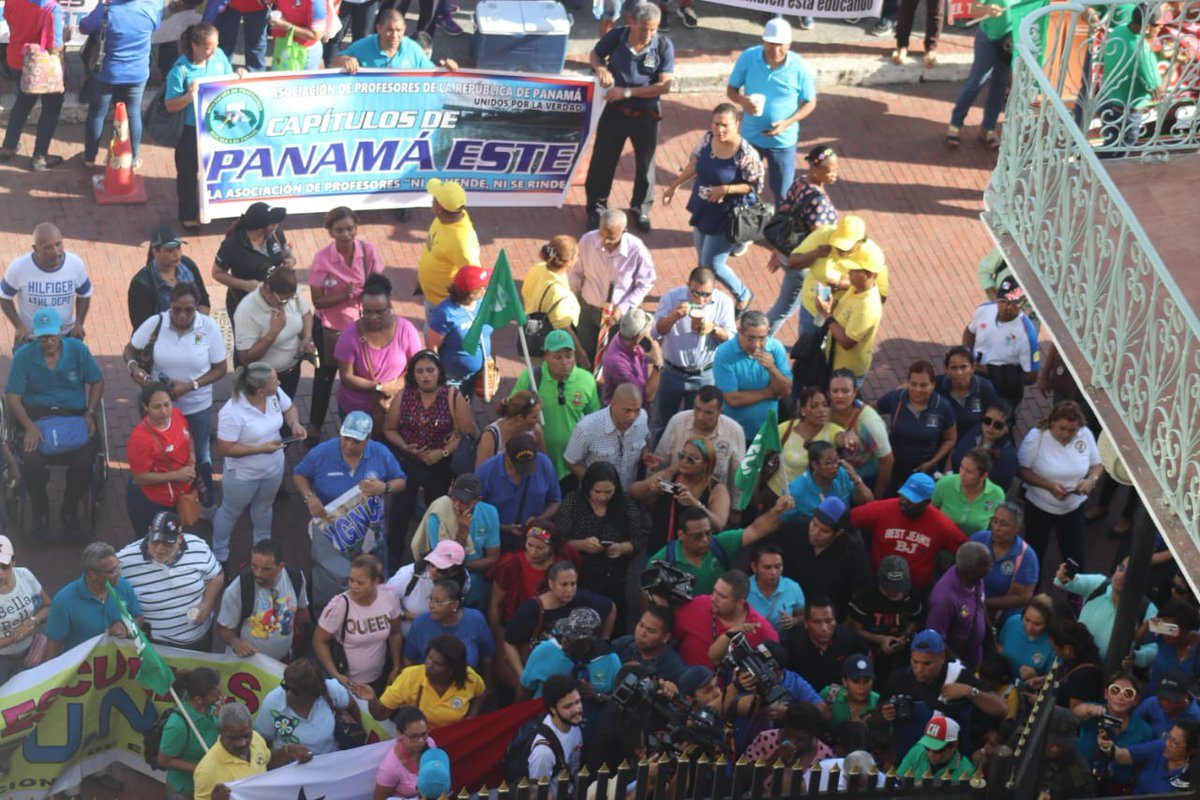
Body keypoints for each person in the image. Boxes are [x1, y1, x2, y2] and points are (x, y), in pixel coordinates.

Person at [125, 283, 225, 510]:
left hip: (196, 405)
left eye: (188, 310)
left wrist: (191, 385)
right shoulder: (155, 323)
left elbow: (220, 368)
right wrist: (134, 368)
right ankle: (164, 494)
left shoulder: (208, 327)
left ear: (196, 308)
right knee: (159, 451)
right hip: (158, 405)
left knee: (200, 454)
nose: (181, 315)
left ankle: (206, 501)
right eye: (177, 309)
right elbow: (129, 350)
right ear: (170, 305)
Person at [4, 306, 103, 533]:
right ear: (35, 335)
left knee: (84, 460)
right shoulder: (23, 357)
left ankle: (69, 508)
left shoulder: (78, 350)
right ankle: (40, 511)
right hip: (37, 419)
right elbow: (12, 396)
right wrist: (28, 426)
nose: (49, 341)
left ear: (60, 332)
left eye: (52, 335)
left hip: (73, 417)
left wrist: (90, 412)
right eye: (43, 336)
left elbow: (97, 381)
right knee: (30, 462)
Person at [294, 411, 406, 610]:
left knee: (372, 576)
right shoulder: (323, 452)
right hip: (332, 531)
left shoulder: (380, 453)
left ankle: (374, 611)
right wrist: (309, 497)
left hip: (370, 534)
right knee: (331, 576)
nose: (349, 445)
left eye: (356, 441)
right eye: (346, 438)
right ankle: (329, 612)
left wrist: (385, 488)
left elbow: (401, 480)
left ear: (368, 439)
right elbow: (300, 474)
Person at [662, 103, 764, 313]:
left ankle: (742, 294)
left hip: (726, 217)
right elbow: (694, 164)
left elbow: (754, 186)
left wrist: (726, 189)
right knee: (703, 262)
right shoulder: (708, 139)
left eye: (725, 125)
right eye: (716, 124)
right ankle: (706, 296)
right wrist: (674, 186)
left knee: (712, 266)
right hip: (703, 210)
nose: (720, 130)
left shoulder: (746, 154)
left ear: (737, 124)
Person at [584, 3, 674, 232]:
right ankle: (596, 207)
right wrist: (600, 69)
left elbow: (664, 86)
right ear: (631, 22)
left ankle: (640, 209)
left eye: (653, 29)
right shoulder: (616, 36)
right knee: (603, 161)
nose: (649, 34)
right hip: (614, 113)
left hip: (646, 116)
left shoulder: (663, 46)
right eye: (644, 28)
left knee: (646, 164)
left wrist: (626, 92)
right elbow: (595, 55)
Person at [383, 350, 474, 560]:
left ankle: (434, 552)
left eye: (430, 370)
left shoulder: (452, 396)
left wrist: (441, 452)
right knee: (400, 509)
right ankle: (394, 551)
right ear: (413, 374)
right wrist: (406, 447)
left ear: (439, 372)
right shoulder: (404, 396)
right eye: (420, 371)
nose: (425, 376)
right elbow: (389, 429)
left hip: (440, 464)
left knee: (438, 509)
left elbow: (467, 432)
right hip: (409, 462)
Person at [306, 206, 385, 445]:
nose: (346, 235)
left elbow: (379, 286)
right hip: (331, 328)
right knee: (325, 377)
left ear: (356, 228)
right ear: (330, 232)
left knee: (362, 375)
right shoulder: (322, 259)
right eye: (339, 230)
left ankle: (364, 425)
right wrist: (344, 296)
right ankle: (314, 428)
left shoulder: (368, 252)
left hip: (363, 326)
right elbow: (317, 300)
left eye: (350, 229)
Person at [212, 362, 305, 564]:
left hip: (273, 469)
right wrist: (261, 449)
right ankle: (219, 554)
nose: (279, 382)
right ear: (261, 391)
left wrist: (295, 423)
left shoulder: (275, 394)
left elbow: (290, 408)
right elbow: (225, 448)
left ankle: (262, 548)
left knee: (263, 507)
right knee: (230, 512)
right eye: (274, 380)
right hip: (242, 477)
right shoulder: (231, 412)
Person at [725, 19, 817, 204]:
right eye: (771, 44)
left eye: (780, 45)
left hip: (782, 142)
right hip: (750, 138)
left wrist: (787, 122)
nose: (775, 50)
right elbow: (731, 90)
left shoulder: (800, 67)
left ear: (789, 44)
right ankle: (742, 227)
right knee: (743, 187)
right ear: (763, 41)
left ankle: (778, 231)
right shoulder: (748, 57)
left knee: (783, 195)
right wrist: (743, 101)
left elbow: (810, 102)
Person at [879, 629, 1007, 760]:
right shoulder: (898, 678)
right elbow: (875, 720)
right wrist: (885, 714)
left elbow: (1001, 708)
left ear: (942, 658)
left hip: (952, 763)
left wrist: (969, 691)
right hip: (910, 761)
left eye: (927, 663)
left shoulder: (958, 676)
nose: (919, 669)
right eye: (915, 662)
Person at [164, 23, 239, 233]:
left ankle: (228, 208)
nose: (213, 51)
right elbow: (170, 105)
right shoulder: (180, 70)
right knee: (188, 174)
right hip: (191, 130)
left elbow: (228, 79)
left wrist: (238, 75)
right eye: (208, 47)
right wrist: (188, 98)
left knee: (222, 169)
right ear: (194, 45)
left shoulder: (219, 56)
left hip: (218, 127)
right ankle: (188, 215)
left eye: (215, 46)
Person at [558, 461, 648, 627]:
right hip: (581, 570)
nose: (602, 497)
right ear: (588, 487)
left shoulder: (625, 503)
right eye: (597, 492)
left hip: (617, 571)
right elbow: (561, 539)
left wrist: (621, 548)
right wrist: (582, 544)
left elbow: (639, 539)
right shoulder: (573, 502)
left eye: (608, 492)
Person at [117, 511, 223, 650]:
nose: (160, 549)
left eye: (168, 543)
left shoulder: (198, 547)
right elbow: (105, 589)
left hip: (200, 639)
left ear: (180, 538)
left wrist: (207, 604)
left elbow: (216, 576)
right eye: (155, 541)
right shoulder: (124, 560)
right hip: (156, 645)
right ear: (149, 531)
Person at [649, 493, 794, 595]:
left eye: (708, 533)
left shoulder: (721, 544)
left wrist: (777, 510)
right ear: (681, 535)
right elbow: (648, 598)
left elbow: (756, 530)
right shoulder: (662, 561)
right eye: (697, 536)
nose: (705, 540)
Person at [850, 473, 969, 594]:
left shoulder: (941, 524)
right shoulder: (882, 509)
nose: (904, 501)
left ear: (926, 502)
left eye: (912, 500)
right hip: (879, 586)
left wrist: (952, 580)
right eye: (903, 495)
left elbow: (966, 551)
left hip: (916, 591)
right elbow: (847, 519)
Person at [1019, 400, 1103, 572]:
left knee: (1074, 555)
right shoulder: (1037, 436)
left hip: (1073, 508)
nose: (1066, 434)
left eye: (1072, 430)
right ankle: (1033, 590)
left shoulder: (1085, 434)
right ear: (1052, 423)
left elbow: (1097, 464)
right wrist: (1048, 485)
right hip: (1039, 508)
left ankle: (1075, 594)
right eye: (1061, 428)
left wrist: (1091, 480)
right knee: (1035, 551)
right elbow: (1021, 470)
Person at [773, 215, 888, 339]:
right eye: (838, 245)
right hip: (812, 307)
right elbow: (793, 262)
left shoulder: (873, 256)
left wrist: (842, 284)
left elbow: (880, 294)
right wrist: (816, 253)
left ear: (860, 242)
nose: (840, 250)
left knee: (830, 353)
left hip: (843, 317)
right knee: (805, 347)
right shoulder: (824, 235)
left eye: (845, 247)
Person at [764, 146, 840, 334]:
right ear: (815, 169)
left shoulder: (800, 182)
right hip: (802, 263)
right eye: (830, 170)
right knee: (783, 310)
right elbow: (819, 239)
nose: (835, 174)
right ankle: (759, 340)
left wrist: (777, 249)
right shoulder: (819, 201)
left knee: (793, 305)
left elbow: (785, 211)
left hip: (785, 250)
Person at [502, 561, 615, 685]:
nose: (570, 590)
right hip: (541, 674)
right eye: (564, 585)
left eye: (573, 584)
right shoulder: (531, 609)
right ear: (551, 583)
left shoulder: (581, 599)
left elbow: (611, 608)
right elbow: (509, 643)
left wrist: (603, 641)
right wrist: (523, 676)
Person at [945, 0, 1036, 151]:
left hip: (1009, 39)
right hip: (987, 38)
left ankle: (988, 127)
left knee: (999, 86)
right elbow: (974, 9)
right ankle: (955, 123)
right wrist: (987, 9)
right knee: (976, 82)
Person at [79, 0, 160, 168]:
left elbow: (84, 27)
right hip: (137, 73)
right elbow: (156, 26)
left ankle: (89, 157)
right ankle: (133, 158)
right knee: (133, 114)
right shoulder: (150, 8)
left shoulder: (106, 10)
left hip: (106, 73)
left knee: (97, 114)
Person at [570, 210, 657, 367]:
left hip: (617, 318)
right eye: (602, 235)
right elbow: (576, 274)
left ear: (624, 231)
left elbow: (647, 281)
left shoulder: (636, 249)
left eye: (611, 238)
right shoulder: (587, 241)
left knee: (613, 360)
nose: (606, 242)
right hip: (588, 311)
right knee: (584, 356)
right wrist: (575, 301)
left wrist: (623, 308)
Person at [511, 330, 601, 481]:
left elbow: (594, 418)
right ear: (545, 356)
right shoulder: (530, 378)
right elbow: (513, 412)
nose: (564, 362)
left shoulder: (587, 380)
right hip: (537, 461)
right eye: (557, 357)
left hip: (573, 465)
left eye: (568, 356)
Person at [652, 267, 736, 426]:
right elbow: (656, 332)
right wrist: (675, 315)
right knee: (663, 421)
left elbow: (731, 338)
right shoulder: (671, 298)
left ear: (714, 289)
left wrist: (714, 329)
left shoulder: (723, 302)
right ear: (688, 285)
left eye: (706, 294)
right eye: (696, 293)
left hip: (704, 374)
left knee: (698, 423)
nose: (701, 299)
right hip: (671, 372)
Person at [336, 273, 423, 424]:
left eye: (379, 312)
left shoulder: (406, 330)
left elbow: (416, 366)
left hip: (394, 408)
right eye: (367, 311)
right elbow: (347, 378)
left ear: (389, 306)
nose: (372, 317)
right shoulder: (349, 336)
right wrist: (380, 387)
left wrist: (396, 386)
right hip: (357, 411)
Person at [313, 554, 402, 691]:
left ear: (375, 582)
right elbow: (319, 640)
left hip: (379, 678)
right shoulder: (339, 605)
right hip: (346, 681)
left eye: (360, 583)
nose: (353, 586)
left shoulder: (390, 596)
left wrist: (396, 667)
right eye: (351, 580)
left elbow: (395, 633)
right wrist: (336, 675)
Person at [121, 382, 198, 539]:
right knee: (151, 540)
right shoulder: (140, 439)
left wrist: (192, 454)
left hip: (178, 495)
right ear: (145, 407)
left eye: (167, 404)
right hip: (153, 502)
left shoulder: (177, 415)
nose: (164, 411)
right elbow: (140, 477)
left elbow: (187, 435)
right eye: (157, 407)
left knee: (174, 537)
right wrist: (177, 475)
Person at [192, 701, 312, 800]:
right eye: (233, 738)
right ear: (220, 731)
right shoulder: (206, 771)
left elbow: (266, 762)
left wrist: (288, 751)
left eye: (246, 735)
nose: (242, 743)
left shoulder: (256, 738)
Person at [410, 474, 500, 603]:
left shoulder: (490, 512)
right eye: (454, 498)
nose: (457, 505)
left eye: (463, 502)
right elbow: (444, 562)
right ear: (450, 490)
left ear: (477, 500)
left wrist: (463, 567)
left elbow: (493, 557)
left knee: (476, 585)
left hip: (474, 572)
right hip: (442, 574)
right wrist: (462, 533)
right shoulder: (437, 515)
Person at [216, 539, 311, 661]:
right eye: (254, 566)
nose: (258, 573)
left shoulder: (295, 577)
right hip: (249, 663)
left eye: (266, 569)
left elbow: (302, 611)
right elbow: (224, 628)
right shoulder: (238, 588)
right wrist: (236, 643)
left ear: (280, 566)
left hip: (284, 660)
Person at [360, 635, 485, 726]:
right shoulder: (410, 676)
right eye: (429, 658)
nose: (428, 664)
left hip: (454, 739)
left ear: (451, 669)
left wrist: (471, 717)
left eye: (437, 663)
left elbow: (481, 692)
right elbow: (380, 715)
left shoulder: (469, 677)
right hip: (420, 743)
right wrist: (372, 699)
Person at [633, 436, 730, 554]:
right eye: (682, 456)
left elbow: (719, 525)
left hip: (693, 553)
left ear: (705, 464)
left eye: (691, 459)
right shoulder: (671, 475)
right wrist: (651, 488)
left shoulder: (716, 489)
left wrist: (695, 503)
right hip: (660, 549)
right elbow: (633, 492)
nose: (683, 461)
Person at [43, 542, 141, 660]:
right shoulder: (63, 601)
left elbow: (138, 617)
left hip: (119, 665)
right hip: (83, 668)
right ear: (92, 574)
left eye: (118, 567)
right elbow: (53, 645)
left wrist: (127, 629)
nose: (118, 573)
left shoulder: (123, 585)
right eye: (111, 571)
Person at [779, 496, 870, 619]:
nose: (815, 533)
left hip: (828, 619)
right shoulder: (793, 529)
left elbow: (861, 588)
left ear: (838, 533)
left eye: (824, 531)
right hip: (786, 610)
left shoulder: (852, 550)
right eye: (814, 524)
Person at [234, 266, 314, 404]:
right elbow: (245, 357)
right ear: (267, 291)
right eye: (282, 301)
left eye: (291, 299)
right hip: (263, 382)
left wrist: (307, 337)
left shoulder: (290, 293)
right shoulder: (246, 311)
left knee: (288, 409)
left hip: (291, 371)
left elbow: (306, 314)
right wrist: (274, 331)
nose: (287, 304)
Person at [1, 0, 65, 171]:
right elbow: (56, 46)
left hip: (16, 58)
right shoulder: (53, 9)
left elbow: (9, 22)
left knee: (22, 103)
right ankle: (40, 157)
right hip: (40, 66)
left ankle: (8, 147)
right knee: (51, 108)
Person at [1, 223, 92, 343]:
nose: (56, 251)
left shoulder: (75, 264)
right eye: (48, 247)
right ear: (35, 248)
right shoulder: (19, 268)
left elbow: (84, 294)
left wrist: (79, 323)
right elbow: (4, 296)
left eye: (58, 244)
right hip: (31, 338)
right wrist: (18, 325)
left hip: (66, 336)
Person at [875, 360, 957, 494]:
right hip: (893, 467)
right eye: (913, 384)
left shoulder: (943, 407)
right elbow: (871, 410)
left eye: (924, 385)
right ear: (907, 383)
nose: (917, 389)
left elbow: (950, 439)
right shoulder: (896, 398)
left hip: (924, 470)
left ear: (933, 385)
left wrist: (932, 462)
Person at [654, 386, 745, 503]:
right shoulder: (677, 422)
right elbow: (660, 463)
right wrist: (652, 495)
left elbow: (737, 478)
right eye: (697, 409)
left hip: (713, 501)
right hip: (673, 498)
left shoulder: (734, 432)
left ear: (720, 412)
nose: (700, 416)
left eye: (708, 413)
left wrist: (735, 509)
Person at [712, 310, 793, 443]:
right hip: (734, 434)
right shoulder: (725, 354)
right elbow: (733, 399)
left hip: (767, 432)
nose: (756, 345)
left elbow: (787, 390)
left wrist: (772, 368)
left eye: (761, 338)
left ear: (768, 330)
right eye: (751, 338)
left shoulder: (776, 348)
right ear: (740, 331)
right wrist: (769, 392)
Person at [963, 276, 1040, 409]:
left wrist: (993, 373)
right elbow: (970, 332)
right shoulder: (984, 310)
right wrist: (968, 355)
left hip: (1001, 394)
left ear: (1023, 303)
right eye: (1003, 301)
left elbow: (1031, 377)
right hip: (974, 382)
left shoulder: (1027, 334)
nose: (1007, 307)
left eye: (1014, 304)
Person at [1097, 5, 1165, 154]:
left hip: (1106, 100)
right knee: (1117, 157)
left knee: (1110, 147)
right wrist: (1176, 63)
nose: (1161, 29)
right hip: (1125, 114)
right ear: (1147, 26)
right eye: (1158, 25)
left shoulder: (1118, 30)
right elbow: (1159, 92)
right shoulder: (1142, 52)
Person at [477, 432, 562, 550]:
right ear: (506, 456)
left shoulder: (544, 464)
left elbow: (555, 501)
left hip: (532, 543)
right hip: (495, 543)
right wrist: (504, 527)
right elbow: (476, 511)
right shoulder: (486, 471)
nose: (522, 471)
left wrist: (541, 519)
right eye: (518, 466)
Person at [255, 658, 356, 757]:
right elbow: (262, 741)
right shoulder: (273, 701)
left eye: (295, 691)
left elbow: (352, 706)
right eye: (286, 686)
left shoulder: (331, 690)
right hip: (291, 769)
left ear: (311, 694)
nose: (288, 693)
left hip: (330, 761)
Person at [1074, 672, 1155, 793]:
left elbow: (1143, 764)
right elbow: (1075, 714)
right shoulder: (1092, 713)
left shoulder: (1143, 730)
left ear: (1135, 700)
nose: (1120, 697)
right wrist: (1088, 709)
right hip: (1080, 781)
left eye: (1128, 693)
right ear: (1106, 694)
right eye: (1115, 690)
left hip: (1117, 789)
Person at [563, 383, 653, 489]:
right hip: (597, 499)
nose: (633, 416)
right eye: (627, 410)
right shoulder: (586, 428)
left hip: (629, 495)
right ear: (613, 405)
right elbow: (570, 461)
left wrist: (645, 455)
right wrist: (596, 485)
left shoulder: (643, 418)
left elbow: (644, 443)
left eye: (637, 410)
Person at [212, 202, 291, 322]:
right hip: (244, 304)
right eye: (273, 223)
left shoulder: (276, 234)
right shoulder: (232, 245)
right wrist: (245, 285)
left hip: (273, 301)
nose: (277, 225)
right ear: (259, 227)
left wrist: (290, 259)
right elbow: (217, 273)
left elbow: (285, 251)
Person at [521, 606, 622, 698]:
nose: (565, 641)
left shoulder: (610, 659)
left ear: (589, 641)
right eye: (565, 634)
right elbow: (524, 691)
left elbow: (619, 703)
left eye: (572, 638)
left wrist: (597, 696)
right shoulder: (544, 650)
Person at [847, 555, 924, 672]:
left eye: (899, 588)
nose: (895, 592)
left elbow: (915, 619)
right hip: (870, 652)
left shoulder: (911, 596)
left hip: (902, 653)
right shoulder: (864, 597)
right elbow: (855, 629)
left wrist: (905, 636)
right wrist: (880, 639)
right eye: (890, 588)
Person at [127, 226, 213, 330]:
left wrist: (198, 329)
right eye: (170, 250)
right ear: (155, 251)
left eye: (178, 248)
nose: (177, 254)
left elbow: (203, 301)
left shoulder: (188, 265)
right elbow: (142, 326)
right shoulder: (141, 284)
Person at [767, 385, 843, 500]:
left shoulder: (832, 430)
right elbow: (761, 456)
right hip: (778, 494)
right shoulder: (785, 429)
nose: (821, 410)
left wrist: (849, 439)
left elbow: (843, 437)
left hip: (812, 499)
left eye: (825, 405)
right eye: (814, 406)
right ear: (803, 410)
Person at [828, 368, 894, 497]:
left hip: (867, 479)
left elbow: (887, 461)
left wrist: (876, 497)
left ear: (854, 393)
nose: (839, 396)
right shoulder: (826, 411)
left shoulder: (869, 422)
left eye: (845, 391)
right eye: (835, 391)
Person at [158, 667, 222, 799]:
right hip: (185, 790)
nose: (220, 697)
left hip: (206, 786)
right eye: (215, 695)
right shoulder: (177, 725)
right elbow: (164, 761)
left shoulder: (211, 709)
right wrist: (201, 768)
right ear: (199, 699)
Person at [818, 258, 885, 384]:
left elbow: (847, 342)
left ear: (870, 275)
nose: (849, 273)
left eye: (854, 271)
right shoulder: (856, 288)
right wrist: (831, 303)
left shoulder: (867, 306)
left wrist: (827, 315)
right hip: (835, 363)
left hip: (847, 373)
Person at [427, 265, 492, 394]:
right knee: (452, 410)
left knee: (466, 404)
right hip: (453, 379)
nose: (486, 288)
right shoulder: (446, 313)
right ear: (472, 293)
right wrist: (436, 376)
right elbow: (432, 346)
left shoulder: (483, 302)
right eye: (483, 287)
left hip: (478, 373)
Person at [926, 541, 991, 668]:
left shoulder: (977, 580)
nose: (991, 568)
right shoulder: (943, 599)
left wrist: (992, 646)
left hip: (976, 656)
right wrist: (961, 667)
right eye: (987, 565)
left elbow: (981, 608)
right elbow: (936, 641)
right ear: (972, 571)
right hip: (955, 664)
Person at [417, 178, 480, 311]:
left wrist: (457, 307)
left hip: (442, 306)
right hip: (432, 296)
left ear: (439, 207)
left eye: (434, 198)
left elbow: (474, 277)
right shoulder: (448, 217)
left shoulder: (461, 242)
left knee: (431, 332)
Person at [405, 578, 493, 672]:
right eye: (430, 599)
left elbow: (487, 657)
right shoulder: (420, 623)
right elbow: (409, 659)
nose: (431, 606)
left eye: (438, 602)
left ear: (454, 605)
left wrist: (488, 684)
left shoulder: (476, 620)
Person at [971, 502, 1038, 624]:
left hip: (1001, 618)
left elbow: (1023, 597)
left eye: (1003, 524)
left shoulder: (1026, 557)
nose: (996, 528)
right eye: (995, 521)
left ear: (1017, 528)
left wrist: (983, 603)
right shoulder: (978, 539)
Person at [487, 526, 561, 633]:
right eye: (529, 545)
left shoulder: (558, 566)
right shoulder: (510, 564)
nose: (533, 552)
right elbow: (495, 604)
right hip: (512, 627)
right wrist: (497, 638)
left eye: (540, 548)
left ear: (551, 548)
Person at [388, 540, 470, 636]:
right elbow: (385, 603)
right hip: (409, 635)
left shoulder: (464, 581)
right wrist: (406, 615)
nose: (433, 571)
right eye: (432, 564)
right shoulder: (406, 575)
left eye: (441, 569)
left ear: (454, 572)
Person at [333, 9, 457, 71]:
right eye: (389, 30)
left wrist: (446, 69)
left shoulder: (413, 49)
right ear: (379, 28)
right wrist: (346, 61)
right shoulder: (362, 46)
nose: (394, 35)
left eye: (399, 30)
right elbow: (335, 62)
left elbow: (431, 74)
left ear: (404, 29)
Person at [0, 536, 51, 682]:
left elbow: (47, 606)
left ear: (14, 562)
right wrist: (14, 637)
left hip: (31, 653)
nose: (0, 573)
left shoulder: (25, 575)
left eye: (4, 566)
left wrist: (33, 621)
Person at [1100, 719, 1199, 794]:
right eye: (1168, 736)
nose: (1167, 743)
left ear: (1191, 750)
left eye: (1175, 743)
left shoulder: (1192, 773)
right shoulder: (1159, 747)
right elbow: (1124, 756)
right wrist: (1109, 748)